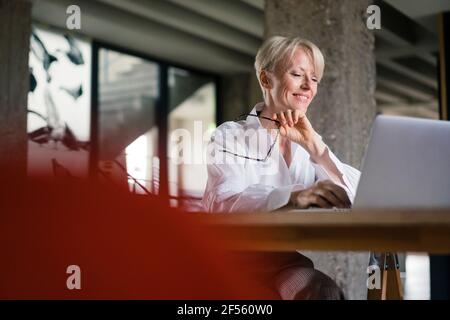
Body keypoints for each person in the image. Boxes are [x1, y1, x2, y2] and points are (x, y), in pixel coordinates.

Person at [202, 36, 361, 299]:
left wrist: (316, 146)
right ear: (266, 80)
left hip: (281, 262)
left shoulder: (305, 143)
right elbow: (225, 201)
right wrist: (294, 197)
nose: (308, 86)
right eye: (297, 74)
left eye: (315, 79)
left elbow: (356, 195)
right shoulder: (229, 136)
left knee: (323, 292)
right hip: (228, 261)